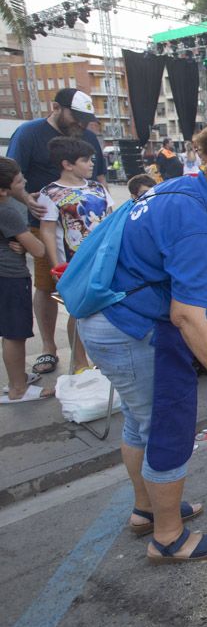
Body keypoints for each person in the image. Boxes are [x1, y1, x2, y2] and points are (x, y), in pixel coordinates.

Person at [74, 134, 207, 563]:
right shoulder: (195, 225)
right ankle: (168, 537)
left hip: (105, 318)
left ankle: (147, 510)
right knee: (167, 427)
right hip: (128, 326)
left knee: (138, 421)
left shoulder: (181, 187)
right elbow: (187, 317)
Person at [5, 88, 106, 376]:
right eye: (77, 117)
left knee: (89, 295)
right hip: (43, 225)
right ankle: (49, 348)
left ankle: (90, 353)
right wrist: (28, 202)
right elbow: (12, 176)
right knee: (48, 287)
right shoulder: (29, 134)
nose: (82, 124)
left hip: (86, 230)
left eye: (86, 119)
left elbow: (99, 176)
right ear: (57, 108)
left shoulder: (85, 137)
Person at [39, 137, 115, 374]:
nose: (91, 164)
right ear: (67, 164)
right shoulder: (50, 193)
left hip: (105, 259)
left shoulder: (98, 188)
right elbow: (48, 231)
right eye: (85, 160)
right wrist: (57, 266)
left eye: (92, 159)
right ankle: (79, 362)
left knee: (106, 310)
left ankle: (105, 361)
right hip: (74, 263)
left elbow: (112, 220)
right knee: (78, 312)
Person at [0, 158, 53, 404]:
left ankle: (17, 377)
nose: (25, 182)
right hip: (10, 277)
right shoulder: (8, 210)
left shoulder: (8, 206)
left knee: (11, 331)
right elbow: (40, 250)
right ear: (4, 190)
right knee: (15, 333)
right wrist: (28, 243)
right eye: (19, 181)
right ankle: (17, 389)